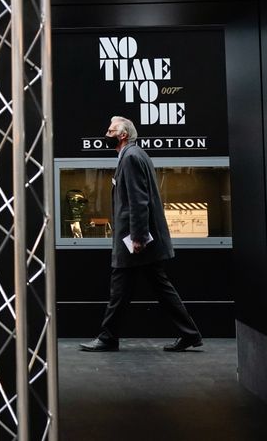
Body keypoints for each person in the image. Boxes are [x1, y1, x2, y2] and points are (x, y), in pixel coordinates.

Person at [80, 116, 203, 353]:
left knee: (122, 289)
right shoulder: (135, 155)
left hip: (134, 242)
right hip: (138, 240)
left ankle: (108, 338)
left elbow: (138, 200)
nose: (106, 134)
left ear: (123, 135)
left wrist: (138, 237)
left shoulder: (131, 158)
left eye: (110, 130)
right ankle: (190, 334)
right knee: (154, 287)